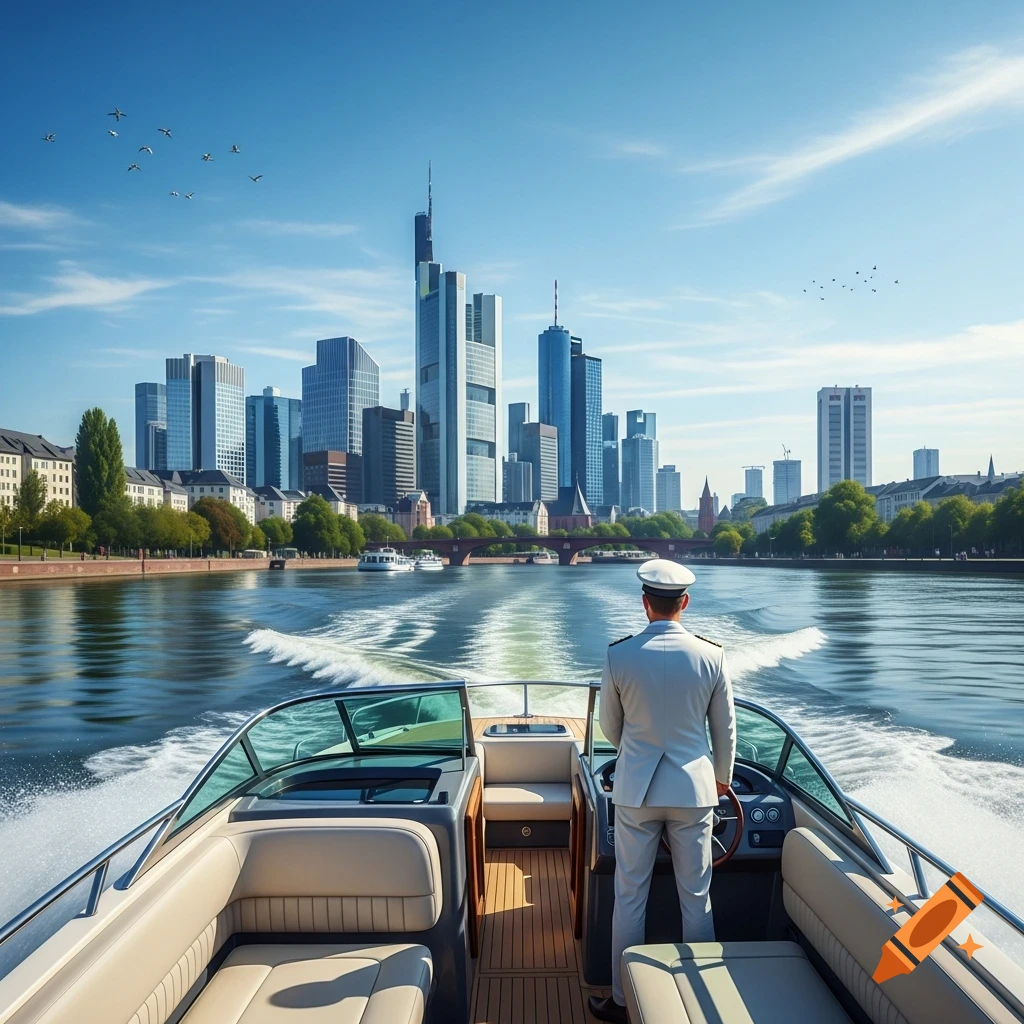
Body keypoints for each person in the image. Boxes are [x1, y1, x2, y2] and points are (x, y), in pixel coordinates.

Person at [589, 559, 736, 1024]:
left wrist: (636, 754)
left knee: (630, 896)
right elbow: (724, 730)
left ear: (645, 602)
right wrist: (721, 779)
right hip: (695, 791)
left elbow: (609, 727)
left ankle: (621, 997)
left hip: (636, 791)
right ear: (684, 603)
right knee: (696, 897)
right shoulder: (712, 655)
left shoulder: (620, 655)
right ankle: (701, 993)